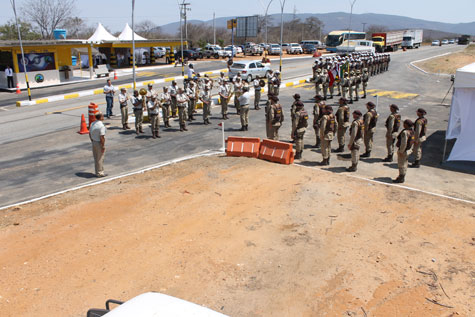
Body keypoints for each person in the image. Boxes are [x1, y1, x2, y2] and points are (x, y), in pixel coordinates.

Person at [89, 112, 107, 177]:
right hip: (99, 142)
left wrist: (92, 140)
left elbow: (89, 133)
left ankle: (97, 172)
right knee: (100, 158)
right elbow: (102, 137)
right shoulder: (101, 126)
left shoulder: (92, 124)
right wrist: (103, 146)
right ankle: (100, 172)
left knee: (96, 158)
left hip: (94, 142)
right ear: (101, 117)